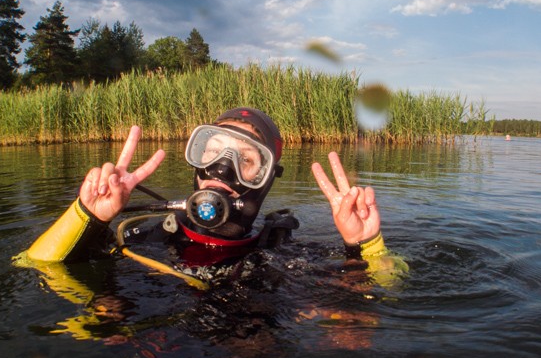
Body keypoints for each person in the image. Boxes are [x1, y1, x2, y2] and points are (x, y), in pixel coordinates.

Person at [24, 107, 394, 285]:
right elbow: (34, 269)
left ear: (266, 179)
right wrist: (87, 215)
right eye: (212, 150)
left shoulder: (287, 256)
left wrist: (366, 246)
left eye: (247, 159)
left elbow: (377, 307)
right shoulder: (138, 240)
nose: (222, 168)